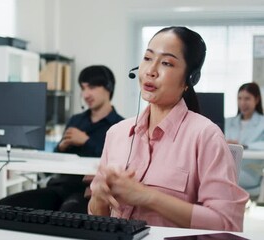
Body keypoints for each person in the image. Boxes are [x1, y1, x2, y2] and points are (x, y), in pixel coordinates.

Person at [88, 26, 249, 232]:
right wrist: (99, 198)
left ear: (190, 79)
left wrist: (148, 197)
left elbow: (227, 222)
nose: (150, 71)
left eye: (166, 63)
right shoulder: (117, 133)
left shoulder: (205, 136)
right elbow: (97, 218)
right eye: (147, 58)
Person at [0, 65, 124, 213]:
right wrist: (61, 147)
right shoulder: (76, 120)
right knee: (1, 207)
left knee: (66, 215)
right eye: (83, 88)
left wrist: (86, 142)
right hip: (60, 187)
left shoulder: (120, 126)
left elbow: (116, 164)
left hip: (89, 192)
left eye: (92, 87)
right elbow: (57, 158)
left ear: (109, 87)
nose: (86, 94)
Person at [225, 82, 264, 198]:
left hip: (249, 172)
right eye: (239, 98)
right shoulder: (228, 122)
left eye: (247, 98)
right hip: (228, 168)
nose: (242, 103)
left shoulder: (262, 122)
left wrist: (244, 145)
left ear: (256, 100)